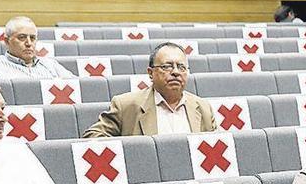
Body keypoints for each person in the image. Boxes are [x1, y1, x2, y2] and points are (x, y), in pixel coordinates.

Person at [83, 42, 215, 137]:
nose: (175, 72)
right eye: (167, 66)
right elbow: (92, 137)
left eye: (181, 67)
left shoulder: (203, 108)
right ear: (150, 73)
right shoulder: (125, 105)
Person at [0, 16, 75, 80]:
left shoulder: (51, 65)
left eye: (33, 38)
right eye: (22, 38)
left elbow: (76, 86)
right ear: (7, 41)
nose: (29, 43)